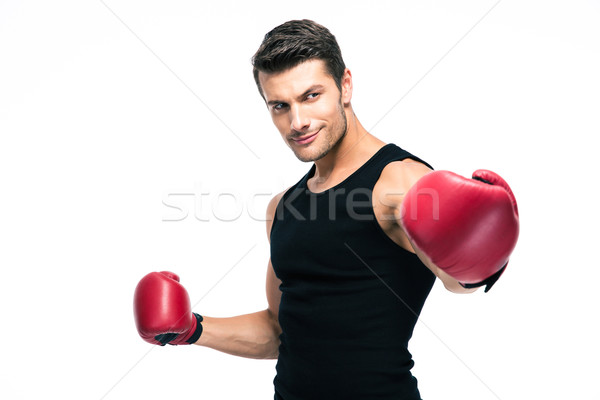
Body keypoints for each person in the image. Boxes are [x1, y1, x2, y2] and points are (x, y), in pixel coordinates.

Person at [134, 19, 519, 400]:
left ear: (345, 86)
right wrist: (192, 328)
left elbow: (457, 279)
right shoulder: (283, 208)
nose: (297, 122)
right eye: (280, 106)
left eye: (311, 96)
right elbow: (279, 332)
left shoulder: (399, 182)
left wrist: (483, 252)